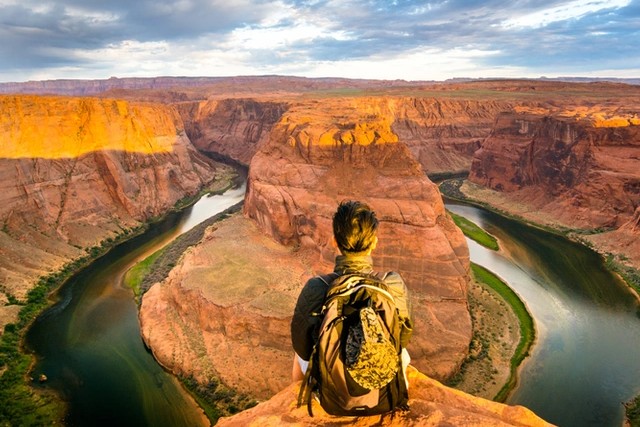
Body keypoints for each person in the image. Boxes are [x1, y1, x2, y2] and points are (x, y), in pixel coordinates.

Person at [290, 200, 413, 383]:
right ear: (374, 243)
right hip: (381, 385)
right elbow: (402, 338)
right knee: (403, 354)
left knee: (297, 357)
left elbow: (302, 347)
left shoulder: (317, 286)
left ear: (334, 241)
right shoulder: (392, 283)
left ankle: (301, 399)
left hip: (331, 388)